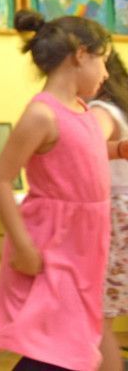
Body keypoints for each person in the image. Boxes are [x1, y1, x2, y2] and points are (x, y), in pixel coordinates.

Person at [0, 9, 114, 370]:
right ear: (80, 55)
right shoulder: (41, 114)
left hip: (83, 244)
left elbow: (80, 151)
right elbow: (1, 178)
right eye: (103, 62)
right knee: (56, 347)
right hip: (53, 243)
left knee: (70, 344)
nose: (106, 74)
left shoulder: (81, 109)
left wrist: (119, 149)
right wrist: (24, 247)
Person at [88, 51, 128, 371]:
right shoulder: (121, 110)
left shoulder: (100, 111)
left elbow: (88, 145)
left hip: (114, 220)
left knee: (97, 324)